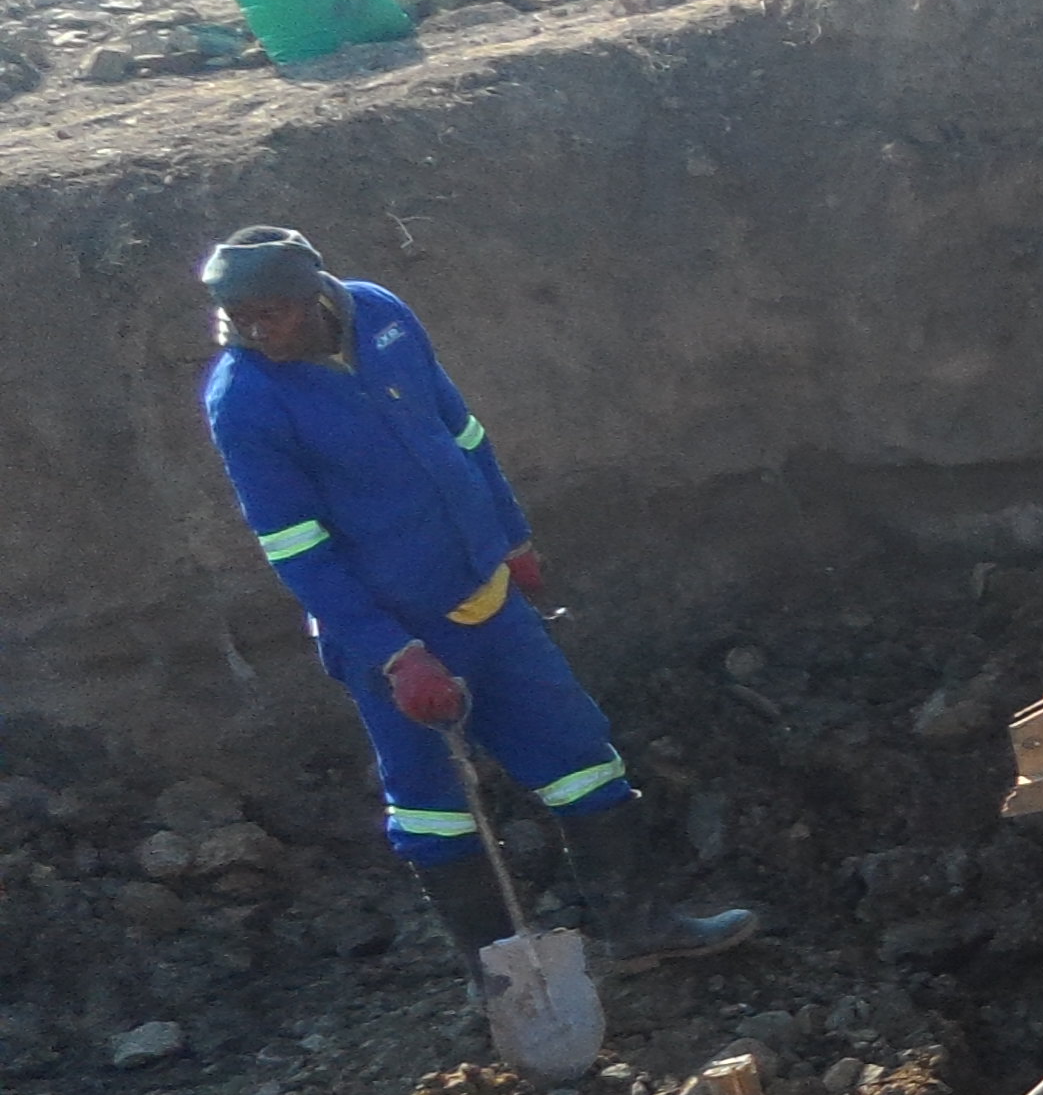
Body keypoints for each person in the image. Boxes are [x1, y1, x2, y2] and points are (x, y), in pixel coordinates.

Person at [196, 228, 755, 983]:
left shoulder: (381, 315)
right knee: (434, 808)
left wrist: (510, 535)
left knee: (581, 757)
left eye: (273, 313)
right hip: (399, 634)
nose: (258, 331)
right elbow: (296, 548)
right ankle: (498, 980)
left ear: (315, 294)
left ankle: (640, 925)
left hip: (487, 601)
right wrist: (395, 655)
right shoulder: (246, 400)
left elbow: (461, 431)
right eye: (241, 319)